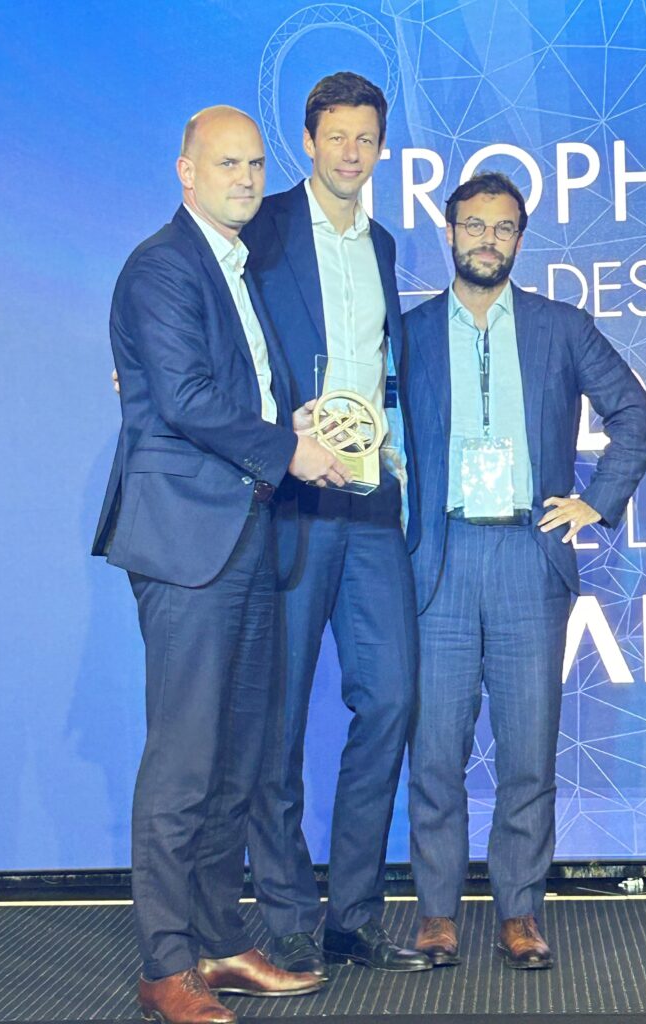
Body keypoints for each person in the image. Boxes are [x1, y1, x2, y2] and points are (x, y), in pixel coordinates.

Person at [93, 106, 348, 1024]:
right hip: (186, 540)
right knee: (184, 762)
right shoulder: (162, 266)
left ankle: (217, 941)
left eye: (254, 164)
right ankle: (165, 964)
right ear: (185, 171)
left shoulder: (239, 268)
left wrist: (292, 423)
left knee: (238, 759)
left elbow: (237, 394)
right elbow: (189, 400)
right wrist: (290, 451)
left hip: (248, 533)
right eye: (226, 163)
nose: (245, 178)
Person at [403, 171, 646, 970]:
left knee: (527, 754)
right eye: (474, 225)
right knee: (434, 752)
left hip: (528, 558)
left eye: (503, 227)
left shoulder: (561, 327)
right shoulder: (405, 333)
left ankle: (520, 911)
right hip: (438, 563)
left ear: (520, 237)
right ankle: (436, 913)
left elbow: (634, 414)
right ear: (449, 232)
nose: (488, 239)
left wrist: (595, 501)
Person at [242, 73, 430, 976]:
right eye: (337, 137)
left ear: (381, 149)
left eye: (366, 139)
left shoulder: (382, 243)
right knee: (275, 720)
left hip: (372, 503)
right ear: (308, 142)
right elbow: (216, 322)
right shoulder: (265, 226)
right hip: (292, 503)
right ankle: (287, 915)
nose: (352, 153)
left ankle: (353, 915)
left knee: (390, 699)